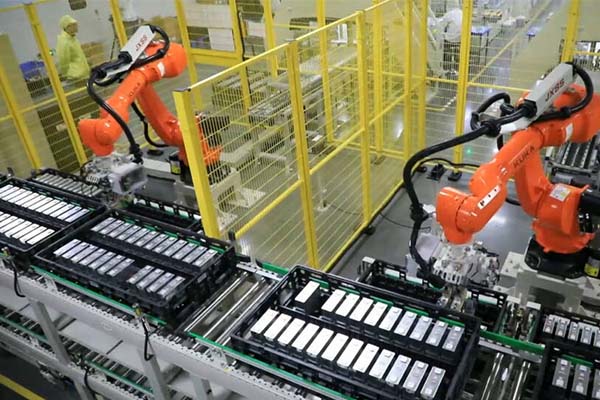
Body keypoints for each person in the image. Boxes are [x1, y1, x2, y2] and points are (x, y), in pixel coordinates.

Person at [56, 15, 90, 82]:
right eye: (74, 25)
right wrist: (68, 74)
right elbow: (63, 61)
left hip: (83, 75)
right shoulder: (64, 42)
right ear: (67, 27)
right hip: (75, 77)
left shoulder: (73, 39)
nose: (76, 26)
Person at [440, 1, 462, 74]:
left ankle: (444, 65)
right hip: (460, 40)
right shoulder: (462, 13)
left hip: (450, 40)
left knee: (440, 40)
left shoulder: (449, 14)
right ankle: (455, 62)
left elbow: (441, 26)